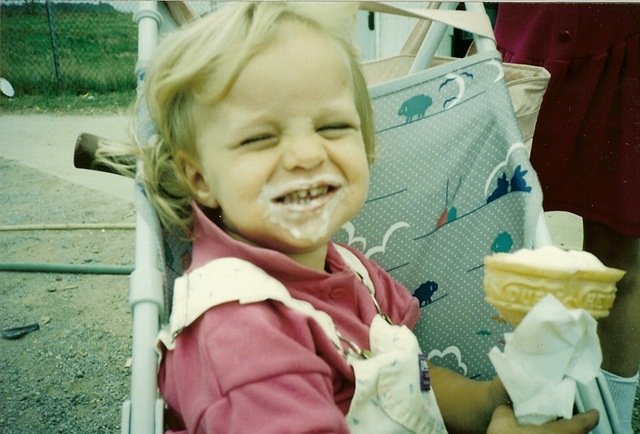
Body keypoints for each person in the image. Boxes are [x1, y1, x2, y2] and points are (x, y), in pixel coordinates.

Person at [120, 3, 598, 433]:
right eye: (260, 138)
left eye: (333, 127)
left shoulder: (350, 268)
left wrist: (487, 399)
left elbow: (413, 381)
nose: (307, 154)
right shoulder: (241, 342)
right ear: (200, 177)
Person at [494, 4, 640, 433]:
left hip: (627, 43)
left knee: (617, 263)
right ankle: (502, 403)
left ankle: (616, 421)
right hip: (533, 35)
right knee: (502, 238)